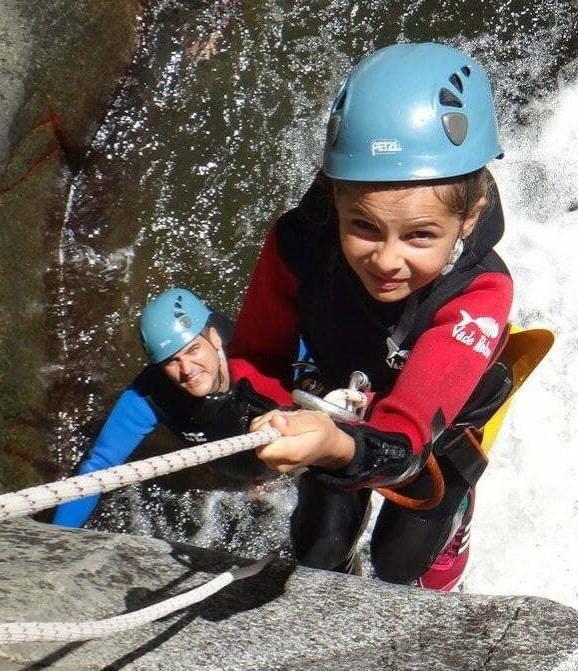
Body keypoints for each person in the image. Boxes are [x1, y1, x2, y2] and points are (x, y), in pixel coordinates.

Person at [229, 42, 514, 591]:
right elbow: (257, 355)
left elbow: (406, 435)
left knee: (402, 563)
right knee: (319, 551)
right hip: (339, 397)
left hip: (436, 425)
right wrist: (265, 414)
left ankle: (455, 516)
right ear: (334, 202)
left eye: (420, 236)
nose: (387, 261)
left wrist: (336, 446)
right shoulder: (298, 245)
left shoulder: (480, 292)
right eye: (362, 226)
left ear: (469, 217)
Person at [52, 287, 276, 527]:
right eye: (172, 361)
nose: (188, 370)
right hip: (226, 461)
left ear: (214, 338)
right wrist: (58, 543)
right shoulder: (152, 393)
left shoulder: (257, 361)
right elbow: (99, 467)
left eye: (193, 350)